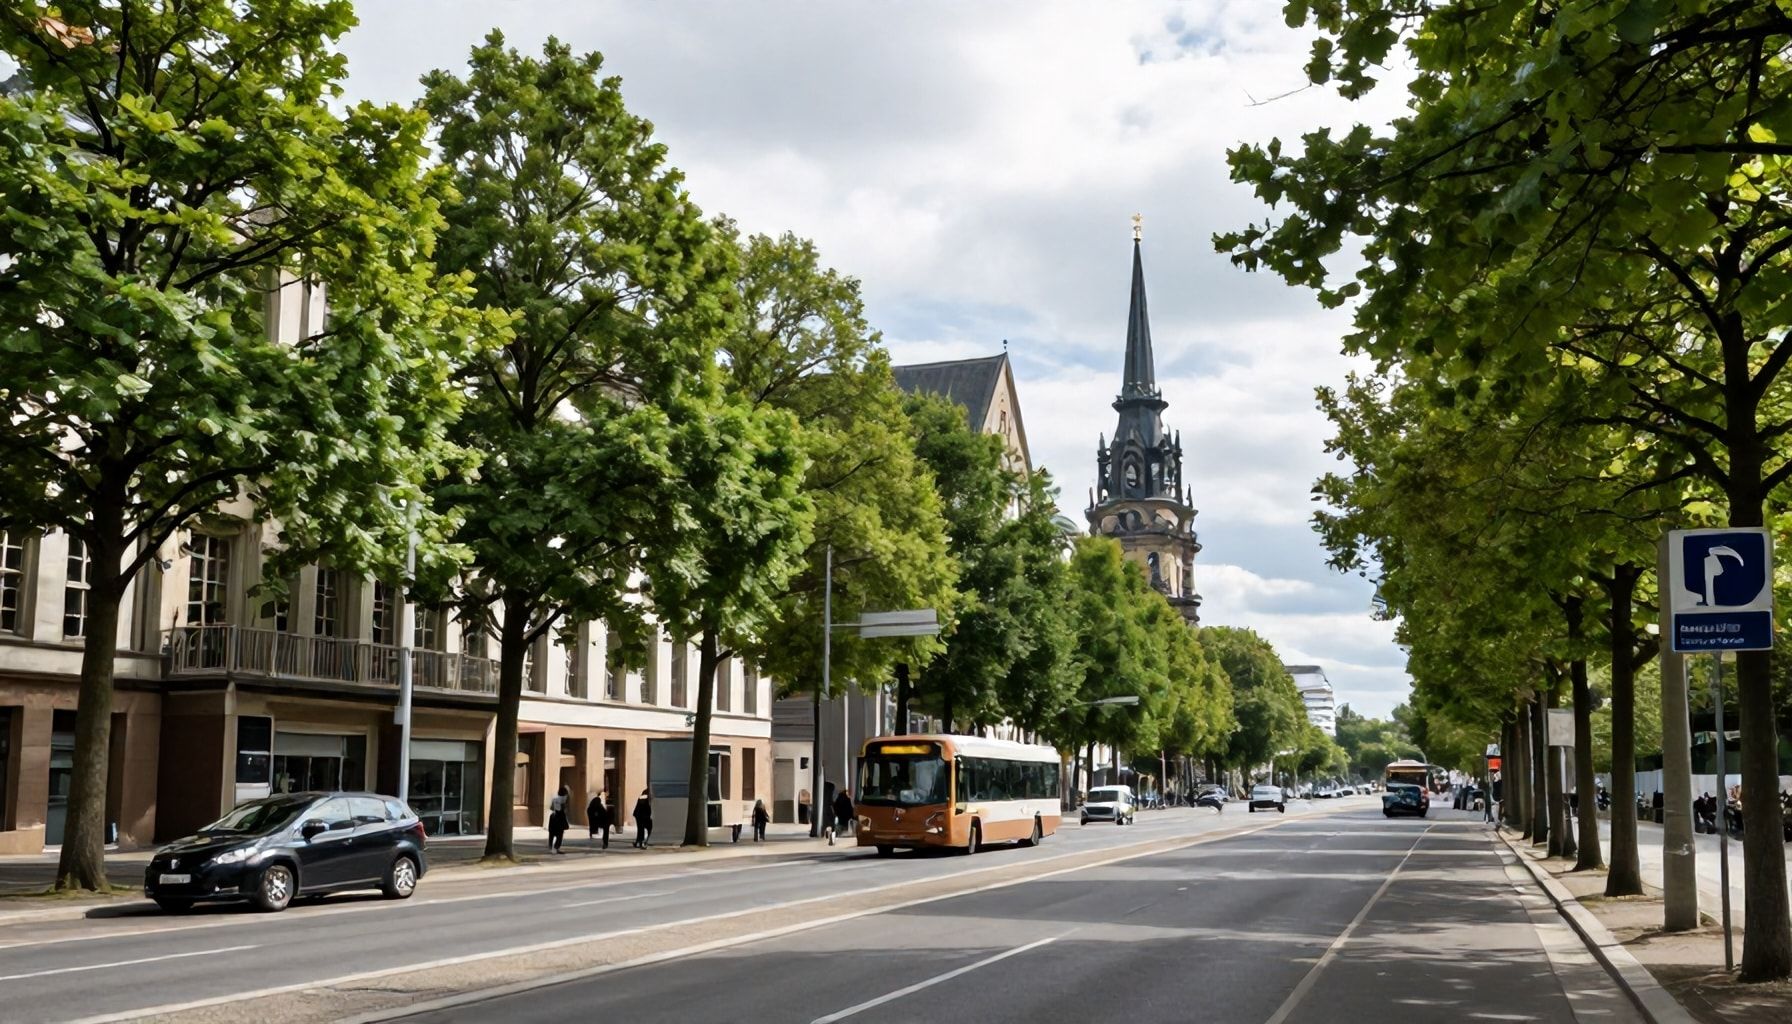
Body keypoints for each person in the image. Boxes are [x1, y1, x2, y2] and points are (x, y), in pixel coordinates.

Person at [548, 784, 570, 854]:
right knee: (560, 834)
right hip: (560, 816)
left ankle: (550, 848)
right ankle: (556, 847)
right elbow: (563, 808)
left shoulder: (554, 799)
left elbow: (551, 808)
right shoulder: (564, 799)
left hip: (553, 817)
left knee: (552, 833)